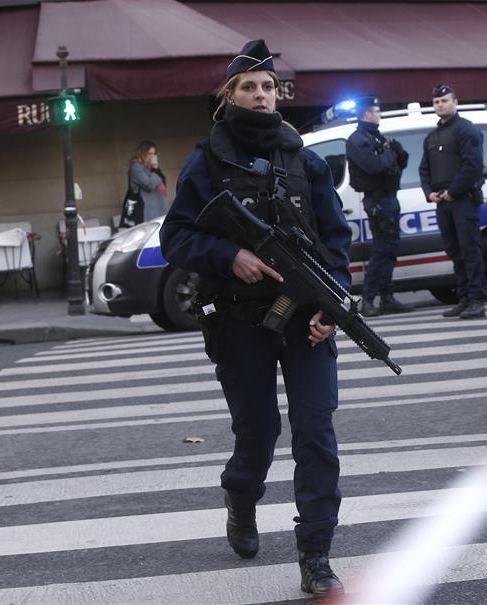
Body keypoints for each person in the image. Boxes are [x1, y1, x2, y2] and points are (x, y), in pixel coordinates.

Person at [159, 39, 350, 598]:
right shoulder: (208, 161)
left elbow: (335, 241)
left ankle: (315, 553)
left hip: (303, 321)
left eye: (268, 87)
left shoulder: (303, 158)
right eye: (250, 87)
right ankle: (241, 499)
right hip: (241, 321)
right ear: (229, 96)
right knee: (260, 433)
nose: (261, 96)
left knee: (316, 433)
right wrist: (229, 256)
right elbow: (175, 237)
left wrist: (330, 309)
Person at [419, 84, 486, 319]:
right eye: (436, 102)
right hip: (443, 203)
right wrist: (430, 193)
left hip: (463, 200)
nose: (440, 105)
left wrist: (453, 191)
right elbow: (424, 169)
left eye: (445, 101)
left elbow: (473, 166)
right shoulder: (432, 136)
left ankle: (477, 300)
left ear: (455, 102)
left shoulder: (466, 130)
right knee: (454, 251)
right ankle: (465, 298)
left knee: (470, 251)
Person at [345, 95, 413, 316]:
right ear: (367, 114)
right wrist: (391, 152)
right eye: (377, 111)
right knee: (382, 250)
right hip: (377, 201)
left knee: (390, 250)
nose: (379, 114)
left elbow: (398, 162)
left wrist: (397, 152)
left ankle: (387, 297)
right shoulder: (358, 139)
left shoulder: (375, 137)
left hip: (388, 198)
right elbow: (373, 166)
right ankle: (368, 299)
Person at [119, 140, 169, 228]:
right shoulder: (136, 168)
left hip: (158, 210)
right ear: (142, 154)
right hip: (144, 212)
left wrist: (156, 169)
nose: (152, 157)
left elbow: (162, 183)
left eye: (154, 154)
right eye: (150, 154)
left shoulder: (152, 168)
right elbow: (149, 185)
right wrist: (155, 171)